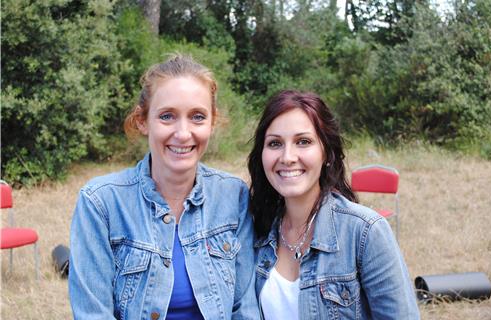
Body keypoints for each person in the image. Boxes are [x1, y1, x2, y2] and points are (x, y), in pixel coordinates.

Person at [69, 54, 259, 320]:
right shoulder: (101, 203)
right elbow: (93, 313)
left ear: (212, 122)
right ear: (143, 121)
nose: (183, 133)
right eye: (167, 116)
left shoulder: (234, 196)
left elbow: (245, 308)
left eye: (197, 117)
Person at [248, 90, 420, 319]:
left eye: (303, 142)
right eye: (275, 143)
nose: (287, 157)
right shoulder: (253, 231)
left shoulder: (365, 232)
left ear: (327, 153)